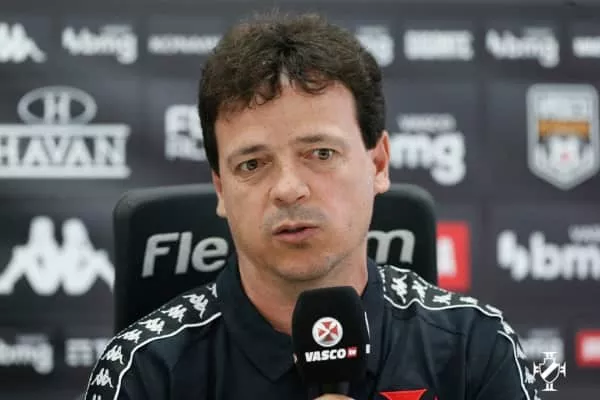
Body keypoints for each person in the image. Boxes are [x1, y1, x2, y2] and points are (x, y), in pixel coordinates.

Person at [84, 11, 543, 400]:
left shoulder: (473, 346)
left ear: (378, 164)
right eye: (252, 164)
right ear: (221, 190)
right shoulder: (143, 371)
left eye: (321, 153)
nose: (288, 189)